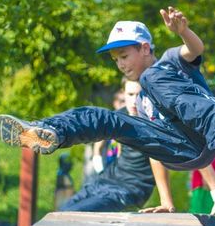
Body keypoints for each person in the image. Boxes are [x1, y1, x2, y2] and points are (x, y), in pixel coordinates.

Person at [0, 7, 215, 216]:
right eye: (116, 59)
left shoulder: (169, 64)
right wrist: (167, 201)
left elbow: (195, 50)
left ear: (145, 48)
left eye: (125, 55)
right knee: (108, 118)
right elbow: (153, 153)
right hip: (176, 151)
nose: (121, 64)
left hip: (204, 137)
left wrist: (184, 32)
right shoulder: (141, 102)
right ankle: (49, 131)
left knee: (150, 78)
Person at [59, 80, 156, 212]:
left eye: (139, 95)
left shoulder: (155, 122)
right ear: (123, 94)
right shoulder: (120, 115)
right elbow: (97, 134)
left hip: (128, 189)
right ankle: (53, 128)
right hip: (104, 181)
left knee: (72, 213)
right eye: (130, 94)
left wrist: (166, 202)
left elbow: (160, 161)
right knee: (60, 212)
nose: (134, 101)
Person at [189, 88, 215, 214]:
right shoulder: (205, 124)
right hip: (204, 186)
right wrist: (209, 184)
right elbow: (200, 155)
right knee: (202, 218)